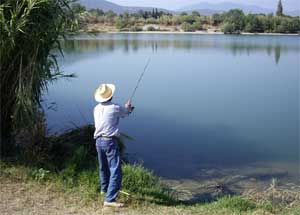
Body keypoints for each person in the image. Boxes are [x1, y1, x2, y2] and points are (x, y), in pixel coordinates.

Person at [93, 83, 133, 207]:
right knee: (115, 170)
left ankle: (104, 190)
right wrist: (129, 108)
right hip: (109, 141)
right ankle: (109, 200)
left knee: (103, 167)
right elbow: (125, 113)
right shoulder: (115, 107)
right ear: (111, 95)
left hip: (98, 141)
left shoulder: (96, 108)